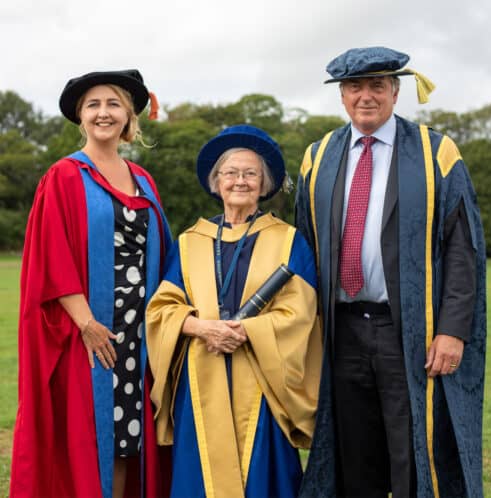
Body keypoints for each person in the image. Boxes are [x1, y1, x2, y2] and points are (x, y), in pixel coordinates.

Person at [295, 47, 486, 498]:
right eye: (355, 87)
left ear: (395, 92)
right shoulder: (317, 156)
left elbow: (463, 247)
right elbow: (303, 246)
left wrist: (453, 330)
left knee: (413, 450)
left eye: (377, 86)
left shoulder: (435, 152)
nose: (366, 96)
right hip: (341, 331)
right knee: (353, 454)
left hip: (410, 331)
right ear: (342, 95)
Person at [10, 69, 172, 498]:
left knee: (126, 441)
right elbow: (52, 255)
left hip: (139, 337)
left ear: (129, 115)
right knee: (89, 438)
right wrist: (86, 323)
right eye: (93, 105)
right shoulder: (65, 176)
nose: (104, 113)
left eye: (113, 103)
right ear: (81, 117)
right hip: (91, 336)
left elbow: (163, 254)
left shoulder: (143, 180)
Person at [146, 124, 322, 498]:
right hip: (201, 373)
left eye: (250, 173)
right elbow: (163, 308)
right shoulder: (190, 241)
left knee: (262, 475)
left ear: (265, 183)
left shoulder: (288, 240)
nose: (240, 181)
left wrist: (246, 332)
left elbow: (301, 312)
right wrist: (200, 328)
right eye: (231, 173)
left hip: (261, 377)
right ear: (216, 182)